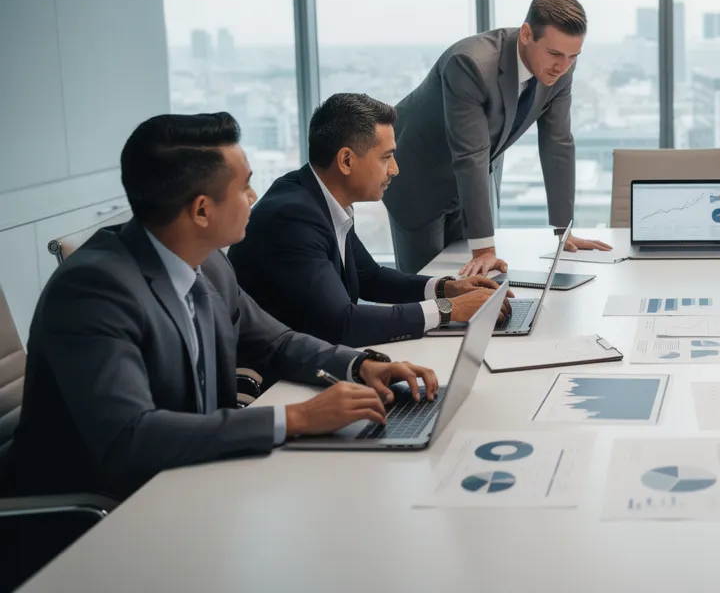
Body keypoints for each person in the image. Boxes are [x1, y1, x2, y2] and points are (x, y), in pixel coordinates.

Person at [6, 113, 439, 501]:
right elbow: (130, 437)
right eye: (243, 185)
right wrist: (296, 417)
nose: (254, 197)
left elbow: (277, 342)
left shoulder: (208, 261)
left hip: (194, 477)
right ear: (200, 211)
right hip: (98, 512)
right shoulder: (93, 291)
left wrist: (362, 365)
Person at [229, 94, 512, 348]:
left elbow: (370, 278)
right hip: (276, 383)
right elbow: (344, 324)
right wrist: (448, 308)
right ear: (346, 161)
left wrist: (447, 287)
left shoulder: (317, 198)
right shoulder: (293, 216)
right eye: (386, 157)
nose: (395, 169)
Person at [383, 0, 611, 277]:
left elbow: (558, 144)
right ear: (527, 34)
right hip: (421, 180)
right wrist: (483, 249)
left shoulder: (561, 68)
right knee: (429, 289)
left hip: (472, 184)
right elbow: (470, 155)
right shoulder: (469, 63)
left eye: (572, 56)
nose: (563, 67)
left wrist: (564, 232)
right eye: (554, 53)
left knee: (472, 289)